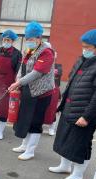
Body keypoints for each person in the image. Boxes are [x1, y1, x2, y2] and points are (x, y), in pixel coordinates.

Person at [48, 29, 96, 179]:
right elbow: (71, 82)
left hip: (85, 113)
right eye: (83, 46)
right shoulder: (82, 60)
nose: (84, 50)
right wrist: (62, 105)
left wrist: (87, 116)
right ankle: (64, 166)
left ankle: (78, 174)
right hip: (70, 108)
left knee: (80, 145)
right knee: (64, 139)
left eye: (88, 47)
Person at [8, 21, 55, 161]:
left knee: (35, 121)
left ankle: (30, 150)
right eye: (27, 39)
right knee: (25, 118)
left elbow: (36, 73)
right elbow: (22, 69)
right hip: (28, 90)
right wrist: (17, 81)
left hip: (41, 93)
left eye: (32, 39)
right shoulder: (28, 51)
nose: (29, 41)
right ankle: (24, 145)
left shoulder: (47, 53)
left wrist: (19, 82)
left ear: (39, 38)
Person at [44, 51, 62, 136]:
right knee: (43, 108)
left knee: (52, 110)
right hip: (44, 89)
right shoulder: (43, 64)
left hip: (54, 90)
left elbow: (58, 76)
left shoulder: (58, 67)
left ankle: (52, 128)